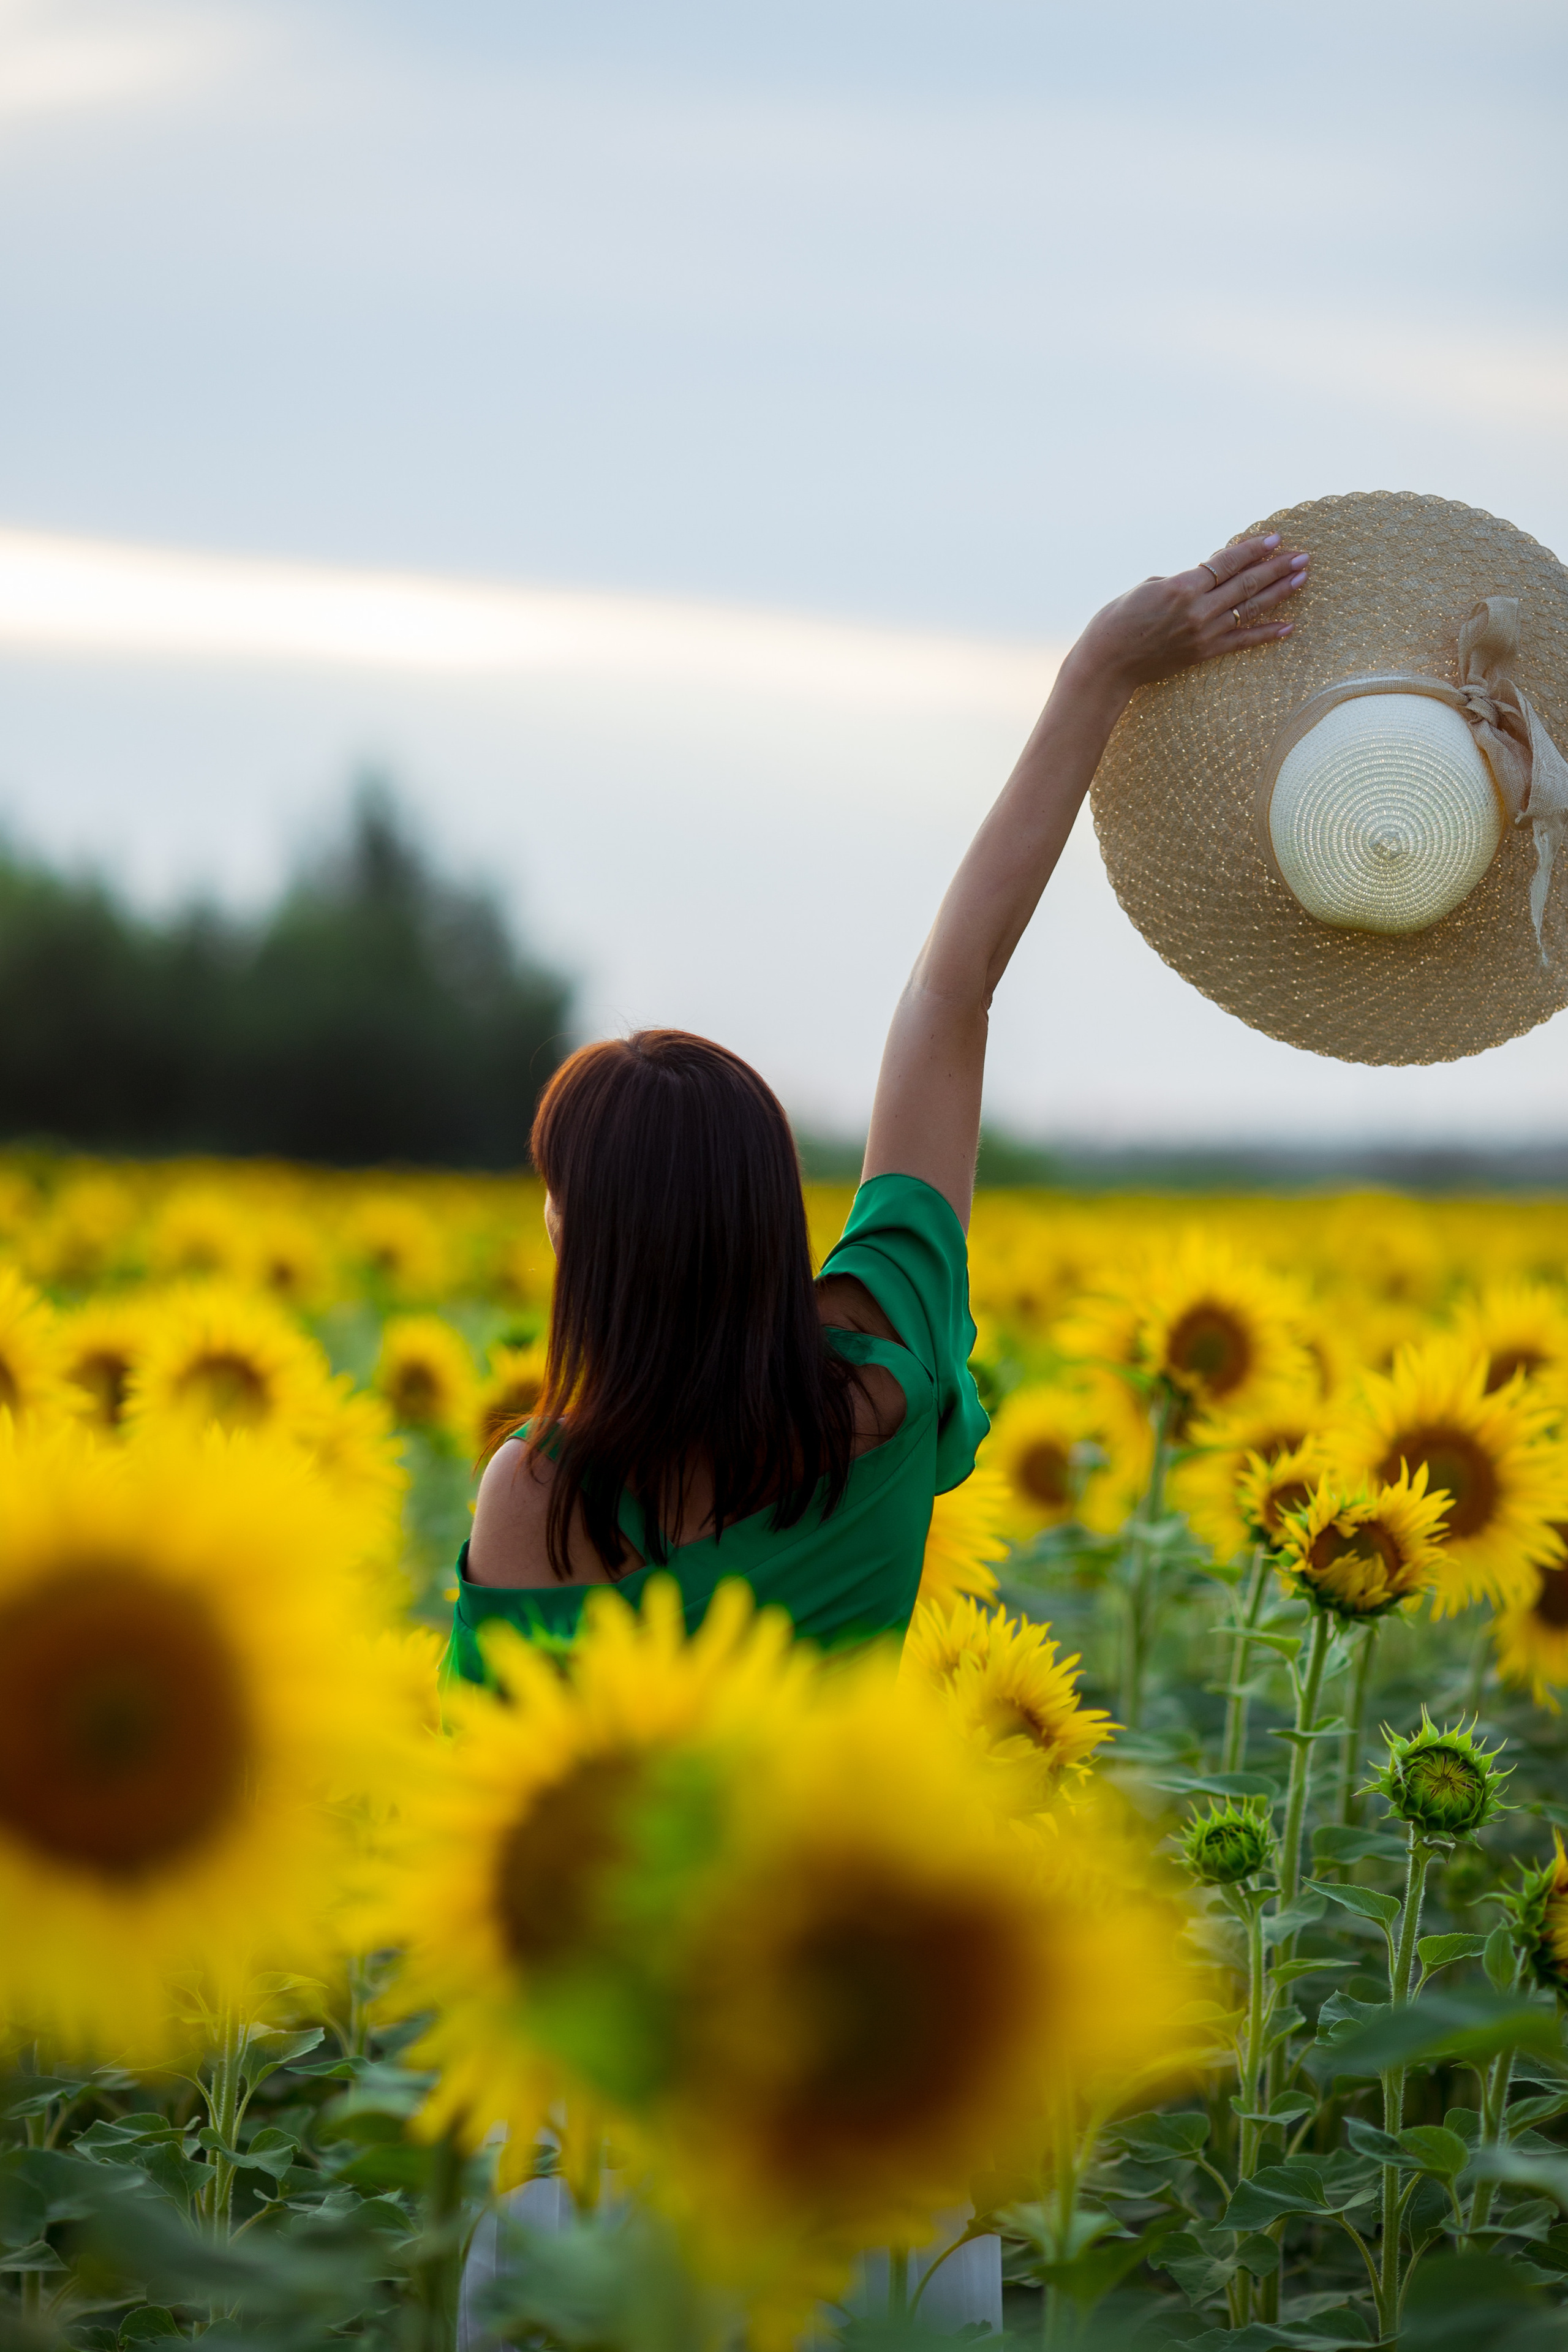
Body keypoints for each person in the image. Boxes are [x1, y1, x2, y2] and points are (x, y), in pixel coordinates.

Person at [445, 532, 1308, 1676]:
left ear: (587, 1241)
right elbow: (953, 991)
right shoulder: (880, 1377)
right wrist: (1097, 672)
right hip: (859, 1854)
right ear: (760, 1211)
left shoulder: (546, 1495)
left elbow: (498, 1787)